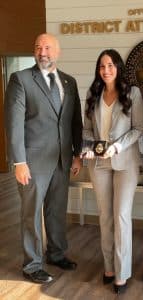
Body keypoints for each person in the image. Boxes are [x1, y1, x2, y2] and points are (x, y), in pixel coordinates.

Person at [4, 33, 83, 283]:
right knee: (31, 214)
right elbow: (13, 124)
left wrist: (77, 154)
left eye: (48, 47)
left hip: (62, 159)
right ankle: (32, 264)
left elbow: (75, 122)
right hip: (32, 162)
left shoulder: (69, 82)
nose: (42, 52)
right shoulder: (21, 79)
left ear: (57, 52)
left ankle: (57, 253)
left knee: (56, 210)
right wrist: (19, 162)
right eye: (38, 47)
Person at [82, 49, 143, 294]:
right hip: (99, 164)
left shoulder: (133, 93)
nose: (105, 70)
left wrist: (117, 146)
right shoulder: (92, 93)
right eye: (101, 66)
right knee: (105, 216)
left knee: (121, 216)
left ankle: (122, 272)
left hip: (125, 162)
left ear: (118, 67)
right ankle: (109, 267)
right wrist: (92, 147)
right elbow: (87, 130)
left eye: (110, 65)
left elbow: (139, 128)